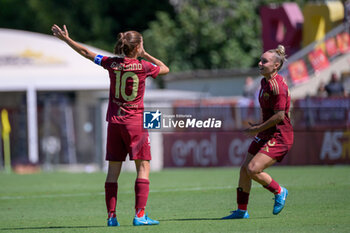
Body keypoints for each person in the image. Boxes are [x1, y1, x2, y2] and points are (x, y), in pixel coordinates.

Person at [51, 24, 169, 226]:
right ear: (138, 46)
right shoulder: (144, 66)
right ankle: (140, 215)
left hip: (114, 123)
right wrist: (145, 54)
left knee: (113, 170)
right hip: (135, 124)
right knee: (143, 166)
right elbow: (165, 69)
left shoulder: (111, 63)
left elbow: (86, 53)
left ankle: (111, 217)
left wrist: (66, 40)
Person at [222, 45, 293, 219]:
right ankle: (241, 211)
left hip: (280, 135)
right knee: (245, 170)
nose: (259, 63)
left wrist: (257, 128)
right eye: (260, 60)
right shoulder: (264, 82)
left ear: (276, 65)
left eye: (264, 61)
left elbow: (279, 116)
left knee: (253, 169)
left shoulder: (277, 87)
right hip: (266, 132)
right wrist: (260, 129)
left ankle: (279, 191)